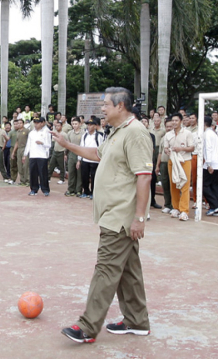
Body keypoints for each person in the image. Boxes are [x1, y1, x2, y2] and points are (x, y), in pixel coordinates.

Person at [55, 87, 152, 344]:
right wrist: (67, 144)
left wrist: (139, 218)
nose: (102, 109)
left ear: (121, 106)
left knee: (106, 268)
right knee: (128, 271)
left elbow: (144, 176)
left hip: (121, 215)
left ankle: (87, 326)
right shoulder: (117, 132)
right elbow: (98, 155)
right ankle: (136, 320)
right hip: (113, 213)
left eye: (106, 105)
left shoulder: (135, 133)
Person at [165, 113, 195, 221]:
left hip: (185, 161)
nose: (174, 122)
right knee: (173, 184)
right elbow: (165, 148)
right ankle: (176, 208)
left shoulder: (187, 133)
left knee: (185, 184)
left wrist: (181, 149)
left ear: (181, 121)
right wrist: (167, 150)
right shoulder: (168, 134)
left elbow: (192, 147)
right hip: (172, 161)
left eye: (176, 120)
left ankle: (184, 210)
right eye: (173, 120)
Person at [23, 117, 52, 196]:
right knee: (33, 173)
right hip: (33, 155)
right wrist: (25, 154)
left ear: (42, 123)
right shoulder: (32, 133)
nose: (36, 124)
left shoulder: (47, 132)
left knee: (43, 174)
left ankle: (45, 189)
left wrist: (42, 143)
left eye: (38, 123)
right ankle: (34, 189)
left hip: (42, 156)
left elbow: (49, 145)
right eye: (35, 123)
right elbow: (28, 144)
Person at [202, 116, 218, 216]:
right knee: (214, 186)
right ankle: (216, 208)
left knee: (205, 185)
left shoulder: (207, 134)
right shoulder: (213, 133)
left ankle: (215, 205)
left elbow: (208, 149)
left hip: (211, 164)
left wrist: (209, 164)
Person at [79, 118, 104, 199]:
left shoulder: (99, 136)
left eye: (91, 125)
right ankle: (86, 191)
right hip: (85, 160)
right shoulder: (84, 136)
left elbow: (101, 148)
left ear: (95, 126)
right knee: (84, 177)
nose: (89, 127)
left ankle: (93, 192)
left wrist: (101, 160)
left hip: (95, 160)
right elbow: (81, 148)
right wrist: (79, 160)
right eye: (88, 125)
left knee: (94, 177)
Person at [155, 118, 174, 214]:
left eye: (171, 126)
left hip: (173, 163)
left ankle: (174, 205)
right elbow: (160, 153)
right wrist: (157, 166)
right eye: (167, 127)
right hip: (163, 163)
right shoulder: (163, 138)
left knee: (173, 184)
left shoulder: (175, 137)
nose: (169, 128)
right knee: (165, 184)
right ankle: (167, 204)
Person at [149, 114, 166, 209]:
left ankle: (152, 200)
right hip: (140, 160)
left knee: (152, 179)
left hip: (151, 159)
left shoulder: (152, 136)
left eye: (145, 122)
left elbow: (154, 150)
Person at [64, 117, 84, 196]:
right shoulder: (70, 133)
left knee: (79, 173)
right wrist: (66, 154)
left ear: (80, 124)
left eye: (76, 124)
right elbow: (68, 144)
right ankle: (70, 189)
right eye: (73, 124)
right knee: (71, 172)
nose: (74, 125)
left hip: (80, 153)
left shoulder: (83, 133)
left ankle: (78, 190)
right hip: (71, 154)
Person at [47, 120, 67, 184]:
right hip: (55, 151)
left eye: (58, 126)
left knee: (62, 166)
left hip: (62, 151)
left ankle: (62, 179)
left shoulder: (64, 134)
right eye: (56, 126)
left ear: (61, 126)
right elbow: (53, 143)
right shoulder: (54, 133)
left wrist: (65, 153)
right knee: (51, 165)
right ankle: (48, 178)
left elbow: (67, 143)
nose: (57, 127)